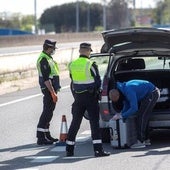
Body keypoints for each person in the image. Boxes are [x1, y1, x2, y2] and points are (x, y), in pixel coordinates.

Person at [66, 42, 110, 157]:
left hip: (78, 98)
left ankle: (69, 150)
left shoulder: (72, 64)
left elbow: (72, 80)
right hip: (90, 98)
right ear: (89, 51)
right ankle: (98, 150)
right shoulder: (90, 64)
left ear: (80, 51)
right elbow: (98, 81)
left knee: (75, 123)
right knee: (94, 124)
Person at [109, 79, 160, 149]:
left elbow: (134, 108)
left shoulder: (128, 90)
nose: (118, 102)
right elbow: (127, 105)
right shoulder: (122, 91)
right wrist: (120, 114)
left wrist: (121, 116)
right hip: (148, 94)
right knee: (144, 116)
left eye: (117, 100)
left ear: (118, 95)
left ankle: (141, 141)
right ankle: (146, 139)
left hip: (153, 93)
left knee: (141, 116)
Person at [36, 39, 61, 145]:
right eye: (53, 49)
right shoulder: (43, 59)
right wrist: (52, 93)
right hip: (48, 89)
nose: (53, 50)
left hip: (52, 89)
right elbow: (46, 79)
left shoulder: (48, 58)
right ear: (48, 48)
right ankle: (40, 137)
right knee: (46, 112)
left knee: (49, 112)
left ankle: (46, 134)